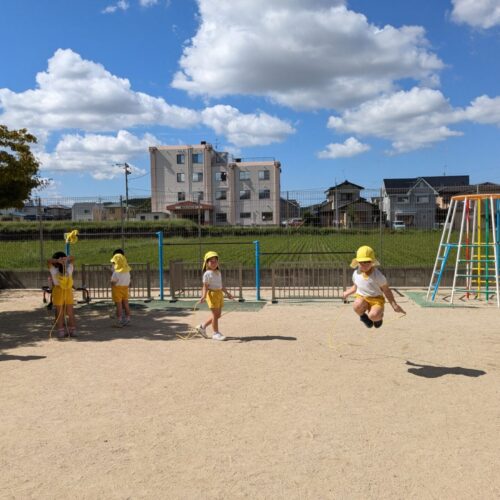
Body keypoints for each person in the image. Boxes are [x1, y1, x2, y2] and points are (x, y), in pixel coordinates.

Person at [342, 245, 405, 328]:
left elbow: (386, 290)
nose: (364, 265)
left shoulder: (378, 276)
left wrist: (394, 305)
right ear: (357, 262)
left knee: (374, 316)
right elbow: (355, 287)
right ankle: (364, 317)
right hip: (362, 298)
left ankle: (377, 319)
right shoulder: (356, 273)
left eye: (367, 262)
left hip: (376, 300)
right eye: (361, 262)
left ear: (372, 262)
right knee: (356, 305)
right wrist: (347, 293)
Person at [196, 251, 233, 341]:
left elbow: (221, 285)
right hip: (212, 295)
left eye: (215, 261)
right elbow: (205, 286)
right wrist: (203, 296)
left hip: (219, 294)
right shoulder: (207, 274)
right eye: (211, 261)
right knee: (215, 315)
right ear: (206, 263)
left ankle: (202, 326)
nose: (214, 263)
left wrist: (227, 294)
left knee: (217, 315)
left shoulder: (218, 272)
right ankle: (215, 333)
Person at [47, 251, 77, 339]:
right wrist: (66, 259)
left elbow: (48, 261)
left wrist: (57, 260)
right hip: (68, 291)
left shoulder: (53, 270)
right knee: (70, 312)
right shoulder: (69, 268)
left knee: (59, 313)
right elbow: (73, 258)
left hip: (58, 291)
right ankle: (73, 330)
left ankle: (61, 331)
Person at [110, 249, 131, 327]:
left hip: (117, 289)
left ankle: (119, 320)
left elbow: (113, 282)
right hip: (125, 288)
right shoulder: (127, 271)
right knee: (126, 303)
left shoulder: (116, 272)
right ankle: (128, 318)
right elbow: (129, 280)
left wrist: (111, 283)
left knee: (119, 305)